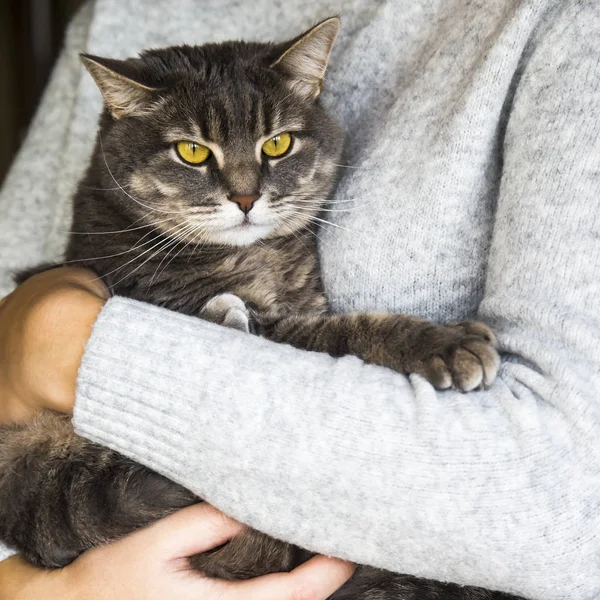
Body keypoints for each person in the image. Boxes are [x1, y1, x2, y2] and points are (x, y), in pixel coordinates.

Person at [1, 0, 599, 598]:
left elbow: (568, 507)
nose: (244, 194)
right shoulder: (115, 16)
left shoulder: (563, 23)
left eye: (277, 146)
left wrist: (68, 347)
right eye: (194, 154)